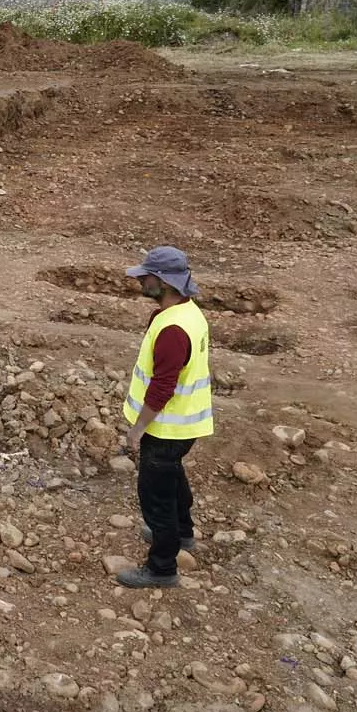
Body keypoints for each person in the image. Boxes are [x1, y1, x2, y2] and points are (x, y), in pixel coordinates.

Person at [117, 246, 213, 589]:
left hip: (166, 427)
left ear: (163, 282)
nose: (141, 280)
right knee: (172, 479)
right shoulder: (188, 313)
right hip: (185, 424)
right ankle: (183, 532)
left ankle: (162, 567)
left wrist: (137, 430)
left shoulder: (173, 330)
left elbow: (162, 388)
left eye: (147, 276)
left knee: (155, 495)